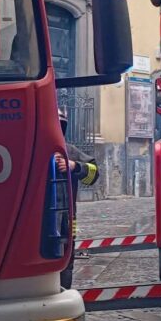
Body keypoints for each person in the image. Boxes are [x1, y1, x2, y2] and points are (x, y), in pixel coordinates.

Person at [55, 107, 98, 289]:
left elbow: (93, 175)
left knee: (66, 262)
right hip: (38, 221)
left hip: (67, 220)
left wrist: (74, 166)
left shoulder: (70, 151)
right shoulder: (31, 150)